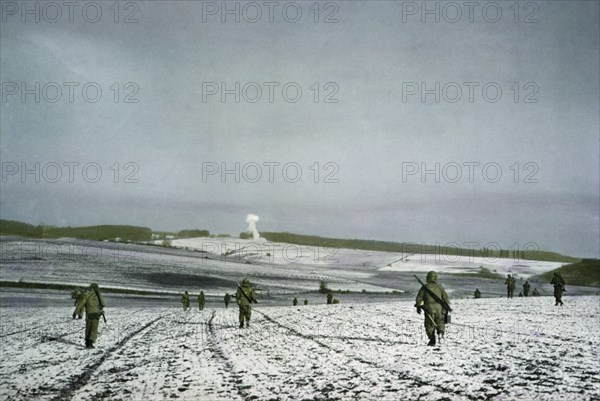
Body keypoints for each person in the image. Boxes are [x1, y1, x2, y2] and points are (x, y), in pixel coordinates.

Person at [415, 271, 450, 347]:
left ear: (428, 278)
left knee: (429, 324)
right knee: (440, 321)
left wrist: (419, 306)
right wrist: (445, 309)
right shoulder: (440, 287)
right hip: (439, 308)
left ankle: (432, 340)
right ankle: (440, 333)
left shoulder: (424, 287)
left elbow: (419, 298)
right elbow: (446, 299)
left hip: (429, 308)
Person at [73, 283, 105, 349]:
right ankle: (90, 342)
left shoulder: (86, 294)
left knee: (88, 328)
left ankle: (87, 342)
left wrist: (75, 312)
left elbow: (81, 304)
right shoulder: (98, 295)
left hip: (89, 314)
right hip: (96, 313)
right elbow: (103, 304)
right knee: (94, 329)